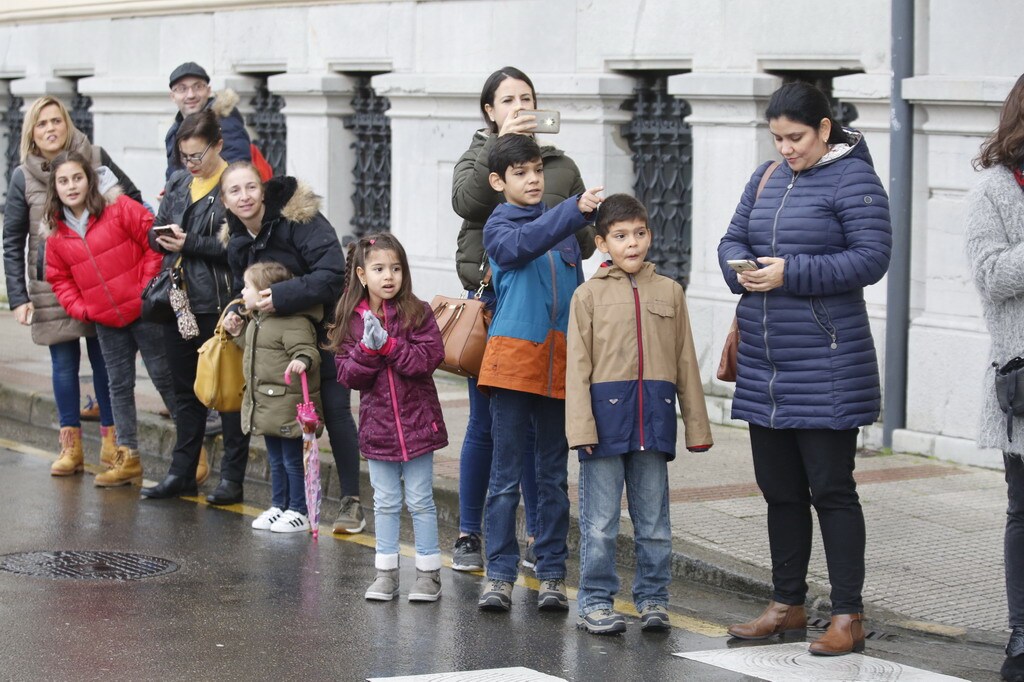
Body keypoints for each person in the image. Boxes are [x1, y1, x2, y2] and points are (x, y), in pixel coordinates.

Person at [718, 82, 891, 656]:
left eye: (795, 137)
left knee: (832, 491)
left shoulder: (855, 179)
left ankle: (848, 615)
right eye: (777, 138)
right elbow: (731, 238)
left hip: (828, 364)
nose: (786, 148)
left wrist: (791, 273)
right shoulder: (765, 178)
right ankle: (786, 604)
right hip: (766, 365)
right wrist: (739, 267)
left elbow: (872, 258)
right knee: (779, 492)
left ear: (823, 128)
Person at [450, 66, 595, 572]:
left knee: (543, 443)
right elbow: (467, 204)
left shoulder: (558, 164)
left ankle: (539, 539)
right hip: (493, 299)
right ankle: (472, 533)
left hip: (550, 305)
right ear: (489, 109)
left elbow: (583, 242)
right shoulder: (478, 157)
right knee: (486, 428)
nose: (519, 105)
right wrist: (500, 150)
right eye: (507, 98)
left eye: (527, 97)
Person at [565, 194, 714, 635]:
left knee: (654, 524)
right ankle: (594, 601)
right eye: (621, 236)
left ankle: (652, 598)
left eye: (639, 233)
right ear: (602, 242)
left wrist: (697, 427)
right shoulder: (587, 295)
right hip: (603, 424)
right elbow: (576, 368)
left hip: (656, 420)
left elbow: (685, 360)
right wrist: (579, 428)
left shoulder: (670, 291)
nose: (632, 243)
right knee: (601, 523)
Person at [475, 133, 602, 613]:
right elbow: (520, 248)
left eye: (536, 170)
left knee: (551, 477)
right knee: (506, 477)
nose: (531, 179)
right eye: (520, 172)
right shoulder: (500, 224)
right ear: (498, 181)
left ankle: (551, 573)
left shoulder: (564, 229)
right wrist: (572, 210)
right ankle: (500, 574)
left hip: (561, 363)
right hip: (512, 364)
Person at [217, 162, 364, 533]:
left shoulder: (300, 220)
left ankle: (351, 502)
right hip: (278, 346)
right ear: (225, 200)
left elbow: (334, 274)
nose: (245, 196)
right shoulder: (236, 241)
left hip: (328, 330)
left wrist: (280, 296)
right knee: (279, 420)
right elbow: (245, 290)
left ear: (262, 190)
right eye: (235, 191)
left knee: (335, 412)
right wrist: (238, 313)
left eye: (251, 187)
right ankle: (288, 503)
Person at [2, 96, 143, 475]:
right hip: (52, 284)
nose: (50, 129)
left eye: (56, 121)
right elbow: (13, 239)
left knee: (105, 364)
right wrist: (18, 296)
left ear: (67, 123)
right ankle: (71, 447)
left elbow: (132, 202)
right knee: (63, 364)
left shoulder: (94, 158)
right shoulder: (21, 176)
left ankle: (115, 446)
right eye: (41, 123)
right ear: (31, 132)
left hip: (100, 279)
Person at [42, 151, 177, 485]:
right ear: (55, 188)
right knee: (118, 387)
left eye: (77, 178)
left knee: (164, 378)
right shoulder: (56, 234)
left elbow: (153, 244)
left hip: (144, 312)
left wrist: (145, 287)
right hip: (106, 321)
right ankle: (126, 455)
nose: (71, 186)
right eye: (63, 181)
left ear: (89, 179)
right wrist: (84, 309)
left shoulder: (119, 208)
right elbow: (59, 279)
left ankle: (192, 450)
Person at [332, 233, 448, 602]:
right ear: (363, 275)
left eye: (395, 268)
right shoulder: (351, 319)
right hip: (378, 429)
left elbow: (426, 361)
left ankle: (428, 574)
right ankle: (385, 573)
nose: (388, 276)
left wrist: (390, 345)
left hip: (418, 424)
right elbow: (349, 375)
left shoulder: (418, 312)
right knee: (384, 501)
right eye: (379, 269)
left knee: (420, 499)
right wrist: (367, 348)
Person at [140, 110, 249, 501]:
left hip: (217, 304)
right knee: (184, 393)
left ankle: (232, 480)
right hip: (178, 301)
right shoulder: (178, 181)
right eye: (184, 156)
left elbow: (238, 247)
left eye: (197, 155)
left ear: (218, 144)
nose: (190, 164)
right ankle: (182, 471)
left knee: (227, 391)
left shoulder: (235, 185)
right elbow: (158, 232)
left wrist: (189, 243)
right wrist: (161, 237)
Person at [963, 72, 1024, 682]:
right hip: (1023, 380)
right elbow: (989, 274)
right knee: (1022, 512)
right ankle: (1022, 634)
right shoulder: (997, 190)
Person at [232, 262, 321, 533]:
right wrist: (237, 334)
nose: (242, 292)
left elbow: (308, 350)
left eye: (248, 286)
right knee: (276, 459)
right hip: (267, 404)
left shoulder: (292, 321)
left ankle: (299, 510)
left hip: (286, 405)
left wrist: (302, 361)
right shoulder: (258, 321)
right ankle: (278, 505)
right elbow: (258, 352)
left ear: (265, 293)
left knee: (292, 461)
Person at [164, 62, 251, 180]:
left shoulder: (224, 122)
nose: (191, 95)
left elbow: (237, 174)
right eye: (182, 89)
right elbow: (173, 176)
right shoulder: (174, 131)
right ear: (173, 96)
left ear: (208, 90)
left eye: (198, 87)